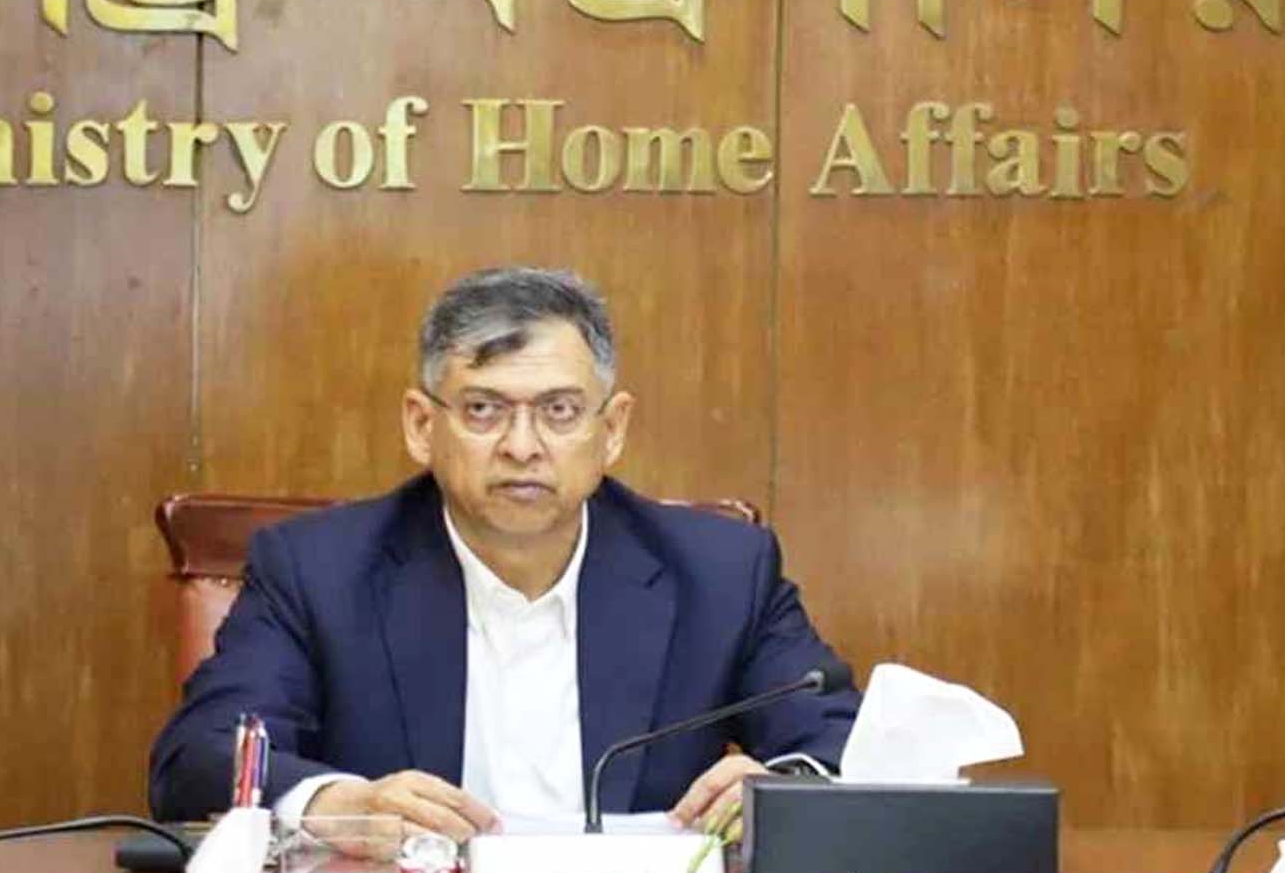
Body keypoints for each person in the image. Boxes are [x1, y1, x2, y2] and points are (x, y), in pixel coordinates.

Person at [148, 267, 857, 843]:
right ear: (422, 425)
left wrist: (786, 788)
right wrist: (335, 804)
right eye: (484, 410)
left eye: (559, 411)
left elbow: (845, 742)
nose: (522, 447)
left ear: (612, 430)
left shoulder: (721, 573)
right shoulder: (319, 571)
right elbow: (199, 756)